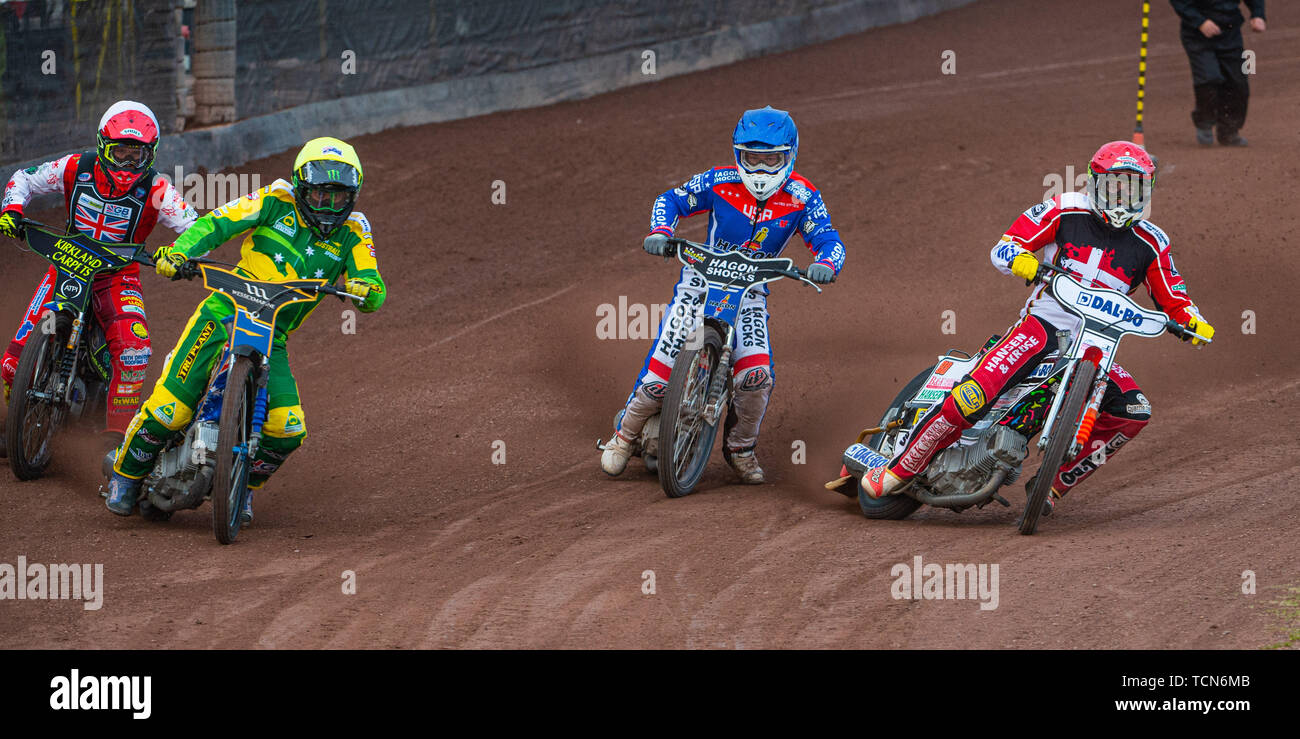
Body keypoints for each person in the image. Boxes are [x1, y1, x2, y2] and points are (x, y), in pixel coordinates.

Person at [861, 141, 1214, 515]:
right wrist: (1023, 262)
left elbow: (1175, 298)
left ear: (1148, 191)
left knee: (1134, 410)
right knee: (975, 394)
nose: (1123, 197)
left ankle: (1053, 486)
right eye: (1115, 186)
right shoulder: (1064, 208)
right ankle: (903, 468)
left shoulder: (1153, 242)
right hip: (1043, 325)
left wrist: (1193, 323)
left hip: (1098, 346)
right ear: (1095, 183)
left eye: (1134, 188)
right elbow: (1004, 246)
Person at [103, 137, 386, 521]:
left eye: (337, 197)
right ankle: (125, 473)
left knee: (288, 429)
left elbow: (371, 282)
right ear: (302, 188)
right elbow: (219, 222)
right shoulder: (276, 198)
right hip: (223, 313)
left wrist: (367, 291)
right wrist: (180, 251)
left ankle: (243, 484)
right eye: (319, 195)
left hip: (274, 336)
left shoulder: (355, 228)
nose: (328, 205)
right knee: (170, 411)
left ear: (353, 196)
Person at [600, 106, 845, 484]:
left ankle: (740, 448)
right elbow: (672, 199)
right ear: (738, 154)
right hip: (699, 283)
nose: (761, 170)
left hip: (749, 293)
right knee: (660, 377)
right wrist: (661, 231)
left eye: (772, 160)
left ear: (789, 156)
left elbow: (828, 238)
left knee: (757, 377)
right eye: (752, 158)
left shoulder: (803, 196)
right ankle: (622, 438)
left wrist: (826, 263)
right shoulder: (719, 181)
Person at [0, 101, 197, 456]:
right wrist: (12, 208)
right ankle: (18, 420)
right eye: (120, 152)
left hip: (117, 276)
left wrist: (180, 254)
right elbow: (25, 178)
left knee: (135, 351)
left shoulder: (158, 190)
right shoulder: (76, 166)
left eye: (136, 155)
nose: (127, 163)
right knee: (13, 365)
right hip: (67, 265)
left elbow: (194, 227)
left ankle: (116, 445)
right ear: (103, 145)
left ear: (151, 154)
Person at [1169, 0, 1266, 146]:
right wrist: (1200, 22)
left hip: (1230, 31)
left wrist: (1258, 14)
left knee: (1238, 82)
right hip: (1197, 35)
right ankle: (1205, 121)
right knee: (1209, 78)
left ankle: (1229, 131)